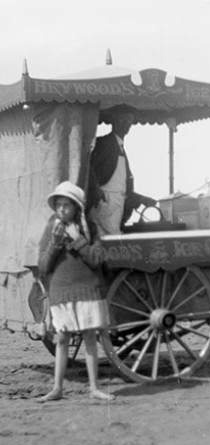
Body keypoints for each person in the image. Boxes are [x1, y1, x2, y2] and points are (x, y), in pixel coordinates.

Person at [37, 181, 114, 402]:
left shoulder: (89, 228)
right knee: (62, 339)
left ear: (76, 208)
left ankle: (94, 388)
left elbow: (97, 259)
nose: (61, 209)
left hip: (87, 290)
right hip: (61, 292)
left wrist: (78, 240)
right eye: (58, 205)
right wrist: (55, 243)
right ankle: (57, 389)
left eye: (66, 205)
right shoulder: (51, 228)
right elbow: (43, 266)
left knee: (90, 337)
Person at [87, 105, 156, 235]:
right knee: (105, 242)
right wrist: (96, 190)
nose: (126, 124)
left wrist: (141, 199)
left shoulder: (120, 147)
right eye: (122, 119)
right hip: (105, 204)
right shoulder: (105, 143)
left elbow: (124, 188)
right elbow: (88, 166)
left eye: (129, 120)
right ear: (114, 121)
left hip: (117, 204)